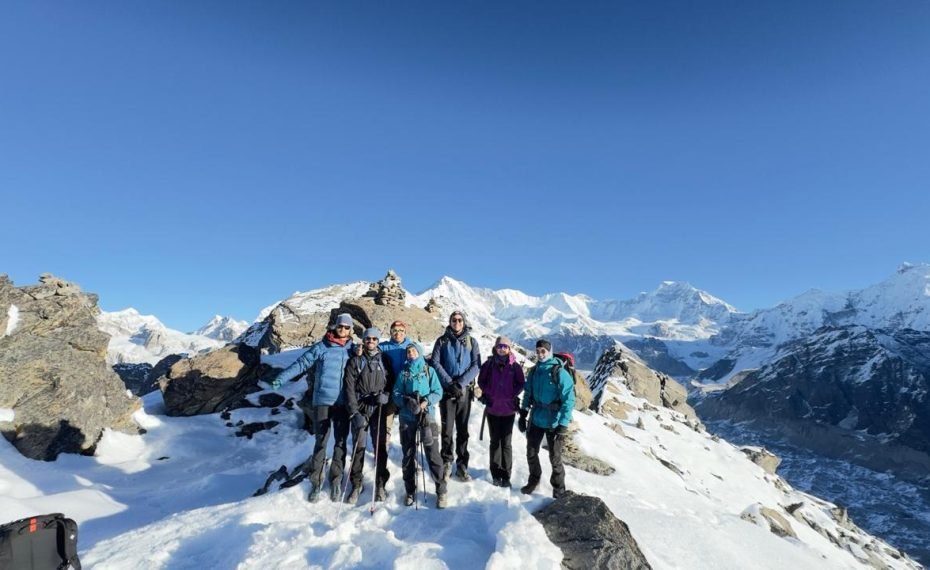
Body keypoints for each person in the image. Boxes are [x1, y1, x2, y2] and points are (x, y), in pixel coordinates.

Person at [271, 313, 355, 502]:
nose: (343, 330)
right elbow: (302, 363)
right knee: (321, 443)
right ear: (335, 327)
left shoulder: (352, 349)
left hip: (343, 403)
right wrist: (282, 378)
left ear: (351, 330)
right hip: (322, 401)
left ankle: (336, 480)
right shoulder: (322, 347)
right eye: (340, 326)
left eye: (347, 327)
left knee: (341, 443)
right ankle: (317, 483)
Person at [392, 343, 447, 508]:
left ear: (420, 352)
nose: (411, 354)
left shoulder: (428, 370)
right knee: (408, 454)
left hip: (426, 416)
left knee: (432, 453)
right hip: (407, 417)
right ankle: (410, 491)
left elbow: (438, 392)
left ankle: (441, 491)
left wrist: (425, 402)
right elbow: (396, 393)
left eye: (414, 350)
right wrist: (406, 401)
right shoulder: (404, 373)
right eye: (408, 352)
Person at [519, 339, 574, 499]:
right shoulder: (535, 371)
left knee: (555, 457)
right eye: (538, 351)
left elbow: (569, 399)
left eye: (543, 351)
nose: (540, 354)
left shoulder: (559, 372)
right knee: (531, 452)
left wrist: (563, 425)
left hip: (554, 421)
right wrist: (523, 413)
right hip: (536, 417)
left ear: (549, 352)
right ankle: (534, 480)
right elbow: (528, 393)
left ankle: (559, 489)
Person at [430, 310, 481, 482]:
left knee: (463, 430)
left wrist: (461, 383)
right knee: (447, 429)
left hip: (464, 392)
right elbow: (435, 363)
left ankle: (462, 464)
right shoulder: (442, 341)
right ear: (450, 322)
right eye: (454, 320)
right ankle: (446, 461)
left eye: (460, 320)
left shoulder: (471, 342)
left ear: (464, 322)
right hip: (447, 392)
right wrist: (450, 383)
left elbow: (476, 365)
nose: (457, 323)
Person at [344, 327, 391, 504]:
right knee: (359, 446)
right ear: (363, 340)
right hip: (361, 407)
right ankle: (356, 484)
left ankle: (380, 484)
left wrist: (386, 396)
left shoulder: (384, 359)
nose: (371, 341)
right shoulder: (355, 361)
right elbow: (349, 387)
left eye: (374, 339)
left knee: (380, 447)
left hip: (378, 407)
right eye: (368, 339)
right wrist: (354, 412)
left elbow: (391, 381)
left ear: (378, 341)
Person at [476, 335, 525, 488]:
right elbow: (481, 381)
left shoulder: (515, 366)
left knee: (507, 444)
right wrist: (489, 392)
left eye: (505, 346)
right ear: (495, 348)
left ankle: (506, 475)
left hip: (508, 411)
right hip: (493, 409)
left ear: (509, 349)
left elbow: (521, 383)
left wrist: (511, 394)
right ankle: (496, 474)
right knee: (495, 443)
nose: (502, 349)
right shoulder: (489, 364)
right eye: (499, 346)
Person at [378, 320, 411, 446]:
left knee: (406, 420)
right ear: (390, 332)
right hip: (390, 388)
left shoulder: (410, 347)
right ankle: (384, 442)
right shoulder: (384, 347)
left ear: (405, 332)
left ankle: (407, 444)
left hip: (406, 389)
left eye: (401, 330)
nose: (398, 333)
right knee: (387, 416)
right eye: (395, 330)